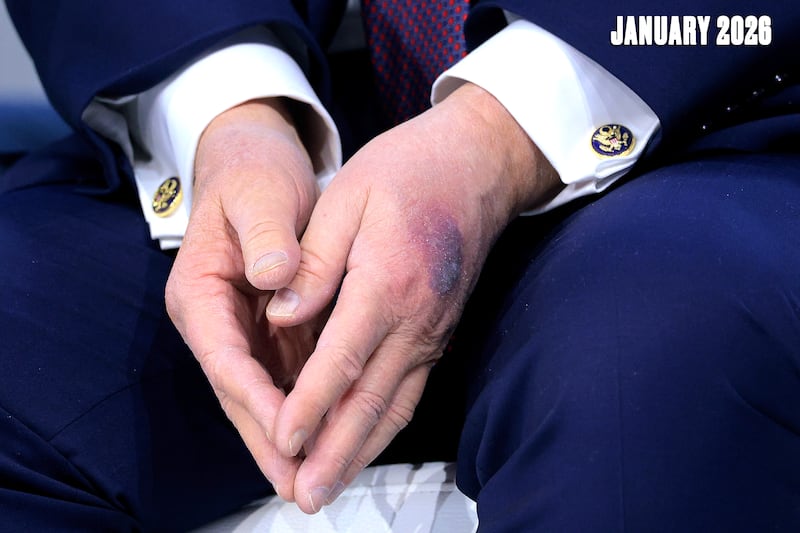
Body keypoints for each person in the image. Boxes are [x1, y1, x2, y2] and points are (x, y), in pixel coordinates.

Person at [1, 0, 799, 530]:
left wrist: (497, 130)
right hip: (314, 99)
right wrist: (235, 115)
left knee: (648, 371)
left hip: (709, 118)